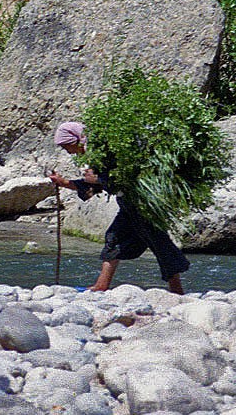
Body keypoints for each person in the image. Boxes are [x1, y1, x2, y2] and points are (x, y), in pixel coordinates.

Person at [47, 121, 188, 295]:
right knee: (113, 238)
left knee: (159, 243)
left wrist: (97, 179)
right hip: (129, 205)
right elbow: (96, 186)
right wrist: (63, 183)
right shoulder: (96, 155)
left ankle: (177, 291)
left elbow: (123, 177)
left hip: (142, 204)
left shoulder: (109, 152)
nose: (68, 151)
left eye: (66, 146)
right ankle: (101, 285)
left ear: (75, 139)